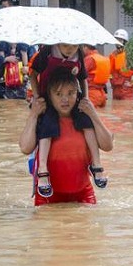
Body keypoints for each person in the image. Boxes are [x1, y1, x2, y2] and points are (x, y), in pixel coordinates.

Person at [18, 66, 114, 205]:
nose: (65, 99)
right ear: (50, 96)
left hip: (83, 193)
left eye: (71, 93)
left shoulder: (85, 119)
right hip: (48, 196)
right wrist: (33, 114)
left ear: (77, 94)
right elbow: (25, 148)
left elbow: (108, 146)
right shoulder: (43, 121)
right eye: (58, 94)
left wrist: (94, 115)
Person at [28, 43, 109, 194]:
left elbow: (83, 78)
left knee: (87, 123)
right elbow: (32, 73)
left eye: (73, 46)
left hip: (73, 98)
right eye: (65, 46)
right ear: (57, 42)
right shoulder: (47, 51)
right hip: (49, 98)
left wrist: (85, 100)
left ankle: (96, 164)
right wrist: (37, 97)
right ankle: (42, 169)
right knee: (46, 127)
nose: (69, 49)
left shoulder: (79, 54)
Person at [108, 29, 133, 100]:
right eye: (116, 40)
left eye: (120, 40)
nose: (118, 42)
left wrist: (131, 84)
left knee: (127, 110)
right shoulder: (112, 55)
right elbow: (110, 73)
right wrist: (112, 83)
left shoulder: (131, 55)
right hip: (116, 89)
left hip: (127, 90)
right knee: (115, 109)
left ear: (125, 41)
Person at [83, 43, 111, 107]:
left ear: (86, 47)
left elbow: (80, 73)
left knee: (89, 115)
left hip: (92, 93)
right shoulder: (103, 58)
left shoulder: (89, 59)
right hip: (102, 94)